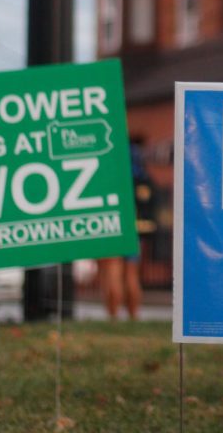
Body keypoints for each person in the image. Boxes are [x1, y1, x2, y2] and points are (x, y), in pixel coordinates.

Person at [99, 137, 156, 320]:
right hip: (135, 232)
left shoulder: (112, 177)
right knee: (132, 276)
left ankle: (113, 316)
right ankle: (133, 316)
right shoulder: (144, 179)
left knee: (112, 274)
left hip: (114, 230)